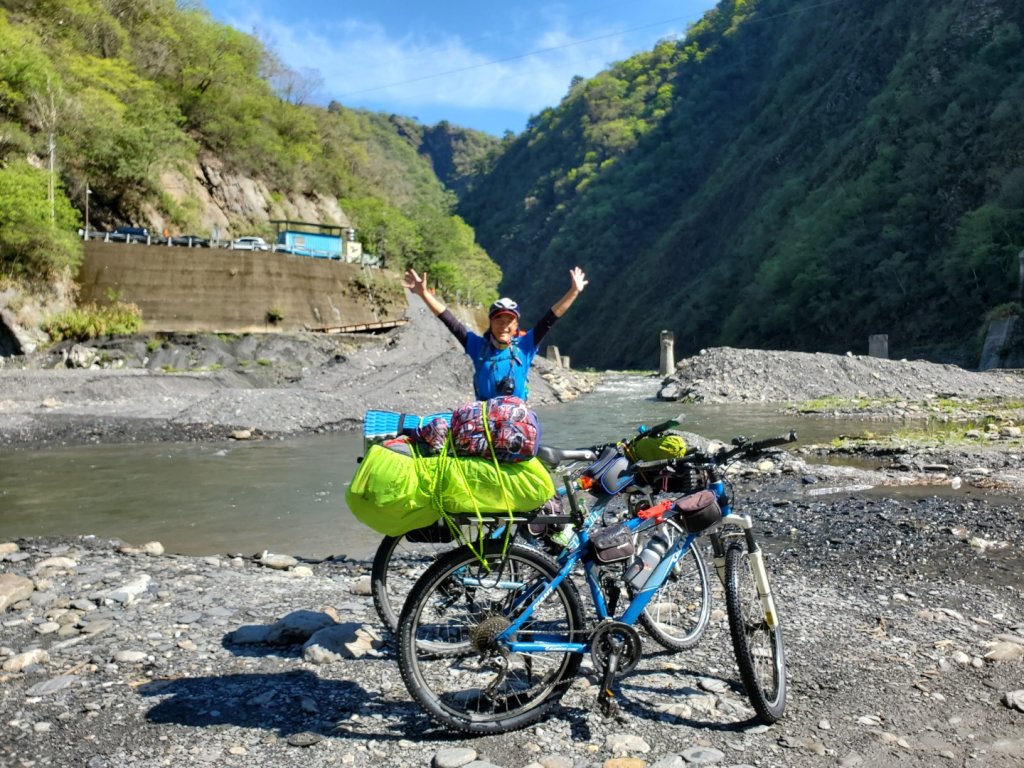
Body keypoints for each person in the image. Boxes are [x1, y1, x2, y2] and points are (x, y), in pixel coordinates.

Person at [403, 266, 588, 400]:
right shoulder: (476, 346)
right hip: (485, 420)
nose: (504, 326)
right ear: (490, 323)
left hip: (516, 423)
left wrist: (573, 291)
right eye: (499, 320)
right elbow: (449, 320)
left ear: (516, 326)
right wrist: (424, 294)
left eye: (509, 322)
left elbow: (550, 318)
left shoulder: (526, 346)